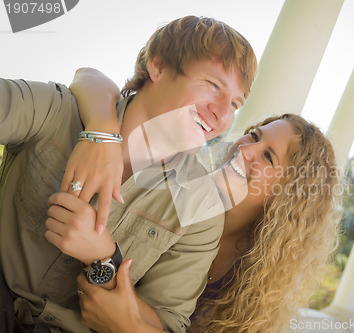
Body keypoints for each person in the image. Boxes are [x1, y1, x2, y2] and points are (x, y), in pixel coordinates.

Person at [0, 15, 257, 333]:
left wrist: (105, 260)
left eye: (235, 103)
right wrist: (100, 133)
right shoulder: (57, 111)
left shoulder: (201, 209)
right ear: (158, 67)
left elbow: (166, 324)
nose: (222, 114)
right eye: (213, 86)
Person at [60, 70, 342, 332]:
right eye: (254, 135)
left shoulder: (258, 285)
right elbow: (91, 78)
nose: (246, 149)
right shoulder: (176, 177)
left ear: (288, 198)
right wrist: (101, 131)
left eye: (268, 157)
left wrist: (129, 326)